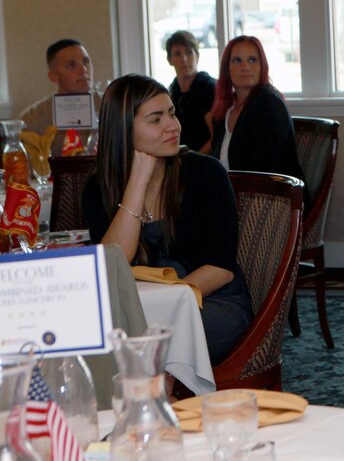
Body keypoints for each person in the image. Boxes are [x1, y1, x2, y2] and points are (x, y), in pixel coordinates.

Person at [82, 74, 252, 366]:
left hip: (210, 303)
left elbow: (221, 269)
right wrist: (137, 182)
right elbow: (114, 263)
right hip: (137, 311)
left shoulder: (205, 174)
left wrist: (163, 310)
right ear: (124, 129)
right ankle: (156, 394)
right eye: (156, 119)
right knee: (97, 333)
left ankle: (151, 392)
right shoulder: (100, 187)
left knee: (143, 341)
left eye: (172, 114)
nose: (173, 126)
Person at [208, 36, 304, 189]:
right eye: (237, 60)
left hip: (271, 200)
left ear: (262, 65)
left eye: (252, 60)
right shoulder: (226, 108)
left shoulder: (270, 104)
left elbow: (264, 169)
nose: (245, 66)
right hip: (231, 195)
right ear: (226, 68)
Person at [20, 38, 103, 156]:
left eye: (86, 62)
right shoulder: (32, 119)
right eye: (71, 65)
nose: (83, 70)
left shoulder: (113, 106)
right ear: (53, 76)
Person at [165, 30, 216, 153]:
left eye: (189, 52)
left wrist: (194, 160)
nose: (184, 59)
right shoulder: (172, 90)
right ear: (169, 60)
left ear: (197, 56)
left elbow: (216, 136)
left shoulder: (207, 87)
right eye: (177, 54)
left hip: (206, 160)